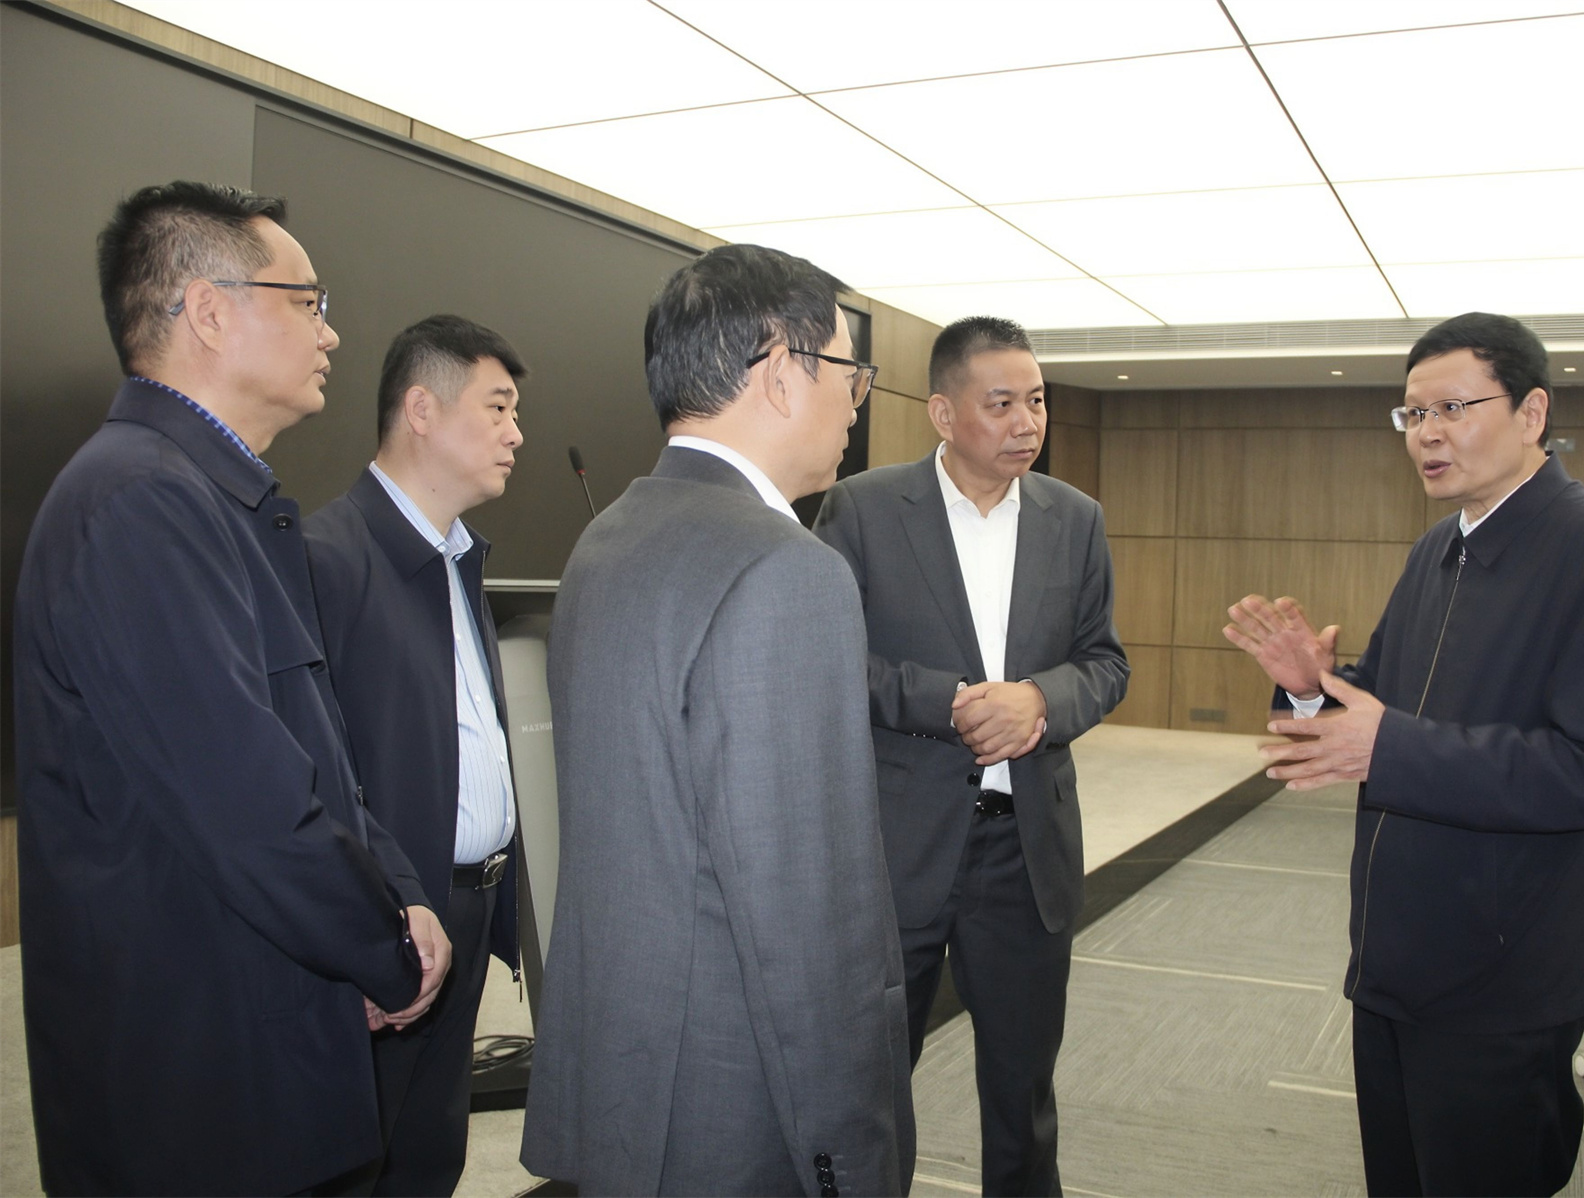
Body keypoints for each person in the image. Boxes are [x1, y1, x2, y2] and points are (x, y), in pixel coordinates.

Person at [11, 181, 452, 1197]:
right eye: (308, 302)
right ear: (209, 312)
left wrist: (399, 895)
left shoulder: (213, 502)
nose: (331, 333)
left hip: (257, 1054)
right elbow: (250, 807)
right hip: (201, 1095)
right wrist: (383, 949)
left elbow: (315, 758)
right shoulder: (140, 504)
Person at [1224, 312, 1584, 1197]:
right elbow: (1379, 709)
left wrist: (1390, 743)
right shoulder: (1439, 547)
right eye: (1412, 413)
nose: (1426, 433)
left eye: (1453, 408)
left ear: (1532, 412)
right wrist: (1312, 688)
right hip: (1393, 958)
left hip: (1501, 980)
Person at [519, 243, 913, 1197]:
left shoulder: (608, 537)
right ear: (782, 372)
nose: (855, 406)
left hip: (625, 1073)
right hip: (737, 1109)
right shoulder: (788, 571)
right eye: (852, 375)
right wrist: (851, 1154)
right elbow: (807, 916)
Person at [813, 316, 1130, 1196]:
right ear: (944, 414)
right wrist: (946, 702)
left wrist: (1041, 702)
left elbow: (1105, 663)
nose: (1028, 423)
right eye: (1002, 404)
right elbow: (831, 658)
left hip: (1024, 853)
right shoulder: (864, 509)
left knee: (1023, 1095)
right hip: (900, 844)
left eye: (1037, 401)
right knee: (871, 1088)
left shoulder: (1076, 520)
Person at [304, 315, 527, 1196]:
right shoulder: (325, 558)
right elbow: (315, 776)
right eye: (498, 408)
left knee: (430, 1159)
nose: (516, 434)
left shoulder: (458, 559)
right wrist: (372, 922)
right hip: (390, 921)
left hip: (466, 911)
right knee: (364, 1157)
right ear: (422, 409)